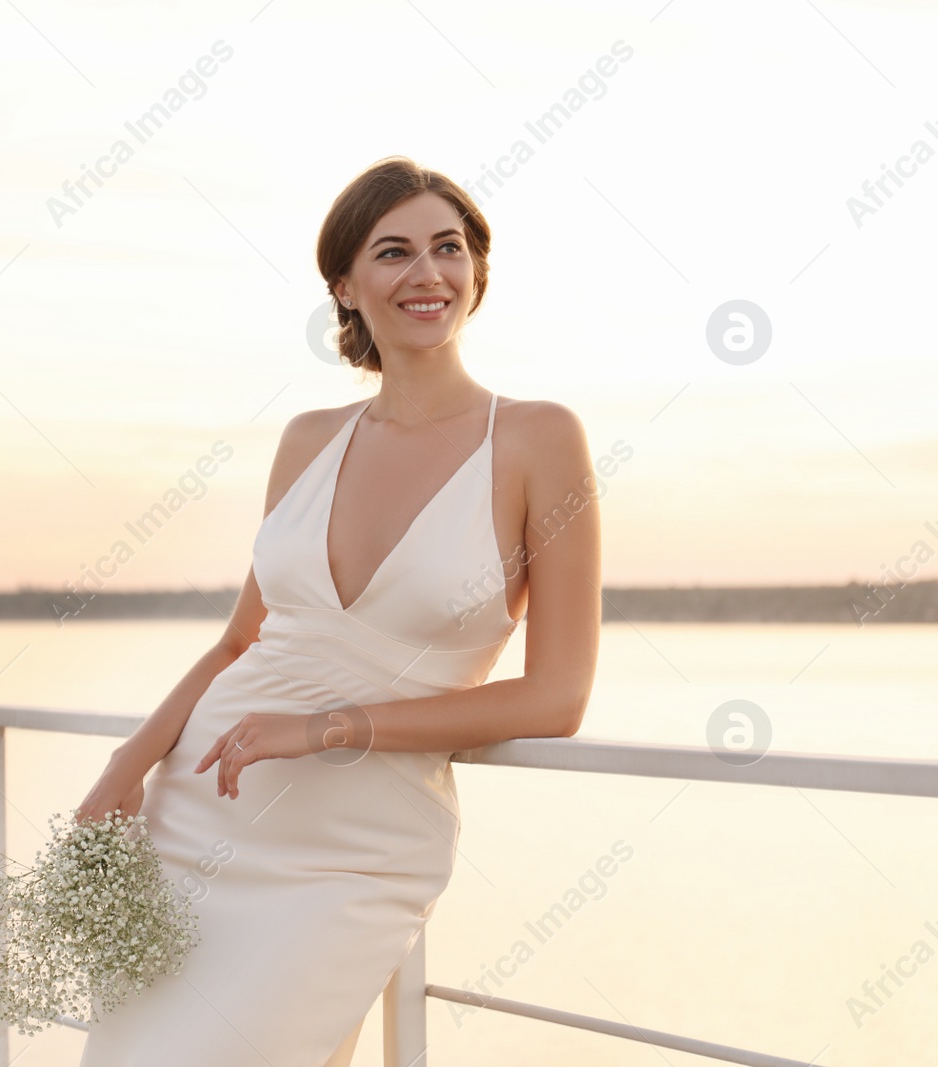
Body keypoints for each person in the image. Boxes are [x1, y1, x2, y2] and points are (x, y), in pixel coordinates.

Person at [75, 155, 602, 1066]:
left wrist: (325, 728)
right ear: (346, 288)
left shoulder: (536, 438)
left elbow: (556, 697)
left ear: (476, 270)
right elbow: (243, 639)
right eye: (392, 252)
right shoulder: (308, 439)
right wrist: (128, 763)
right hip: (201, 806)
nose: (426, 273)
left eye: (448, 247)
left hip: (357, 843)